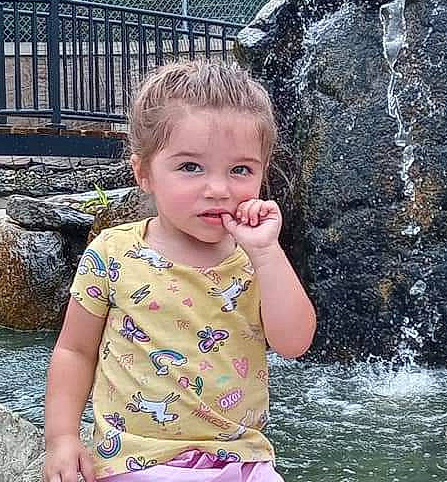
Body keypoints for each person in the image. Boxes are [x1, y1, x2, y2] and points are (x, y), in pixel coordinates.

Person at [43, 59, 316, 482]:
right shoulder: (113, 253)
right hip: (137, 460)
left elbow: (295, 343)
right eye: (190, 167)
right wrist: (61, 440)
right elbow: (74, 351)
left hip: (241, 460)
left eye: (240, 169)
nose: (218, 189)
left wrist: (266, 254)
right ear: (144, 173)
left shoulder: (255, 258)